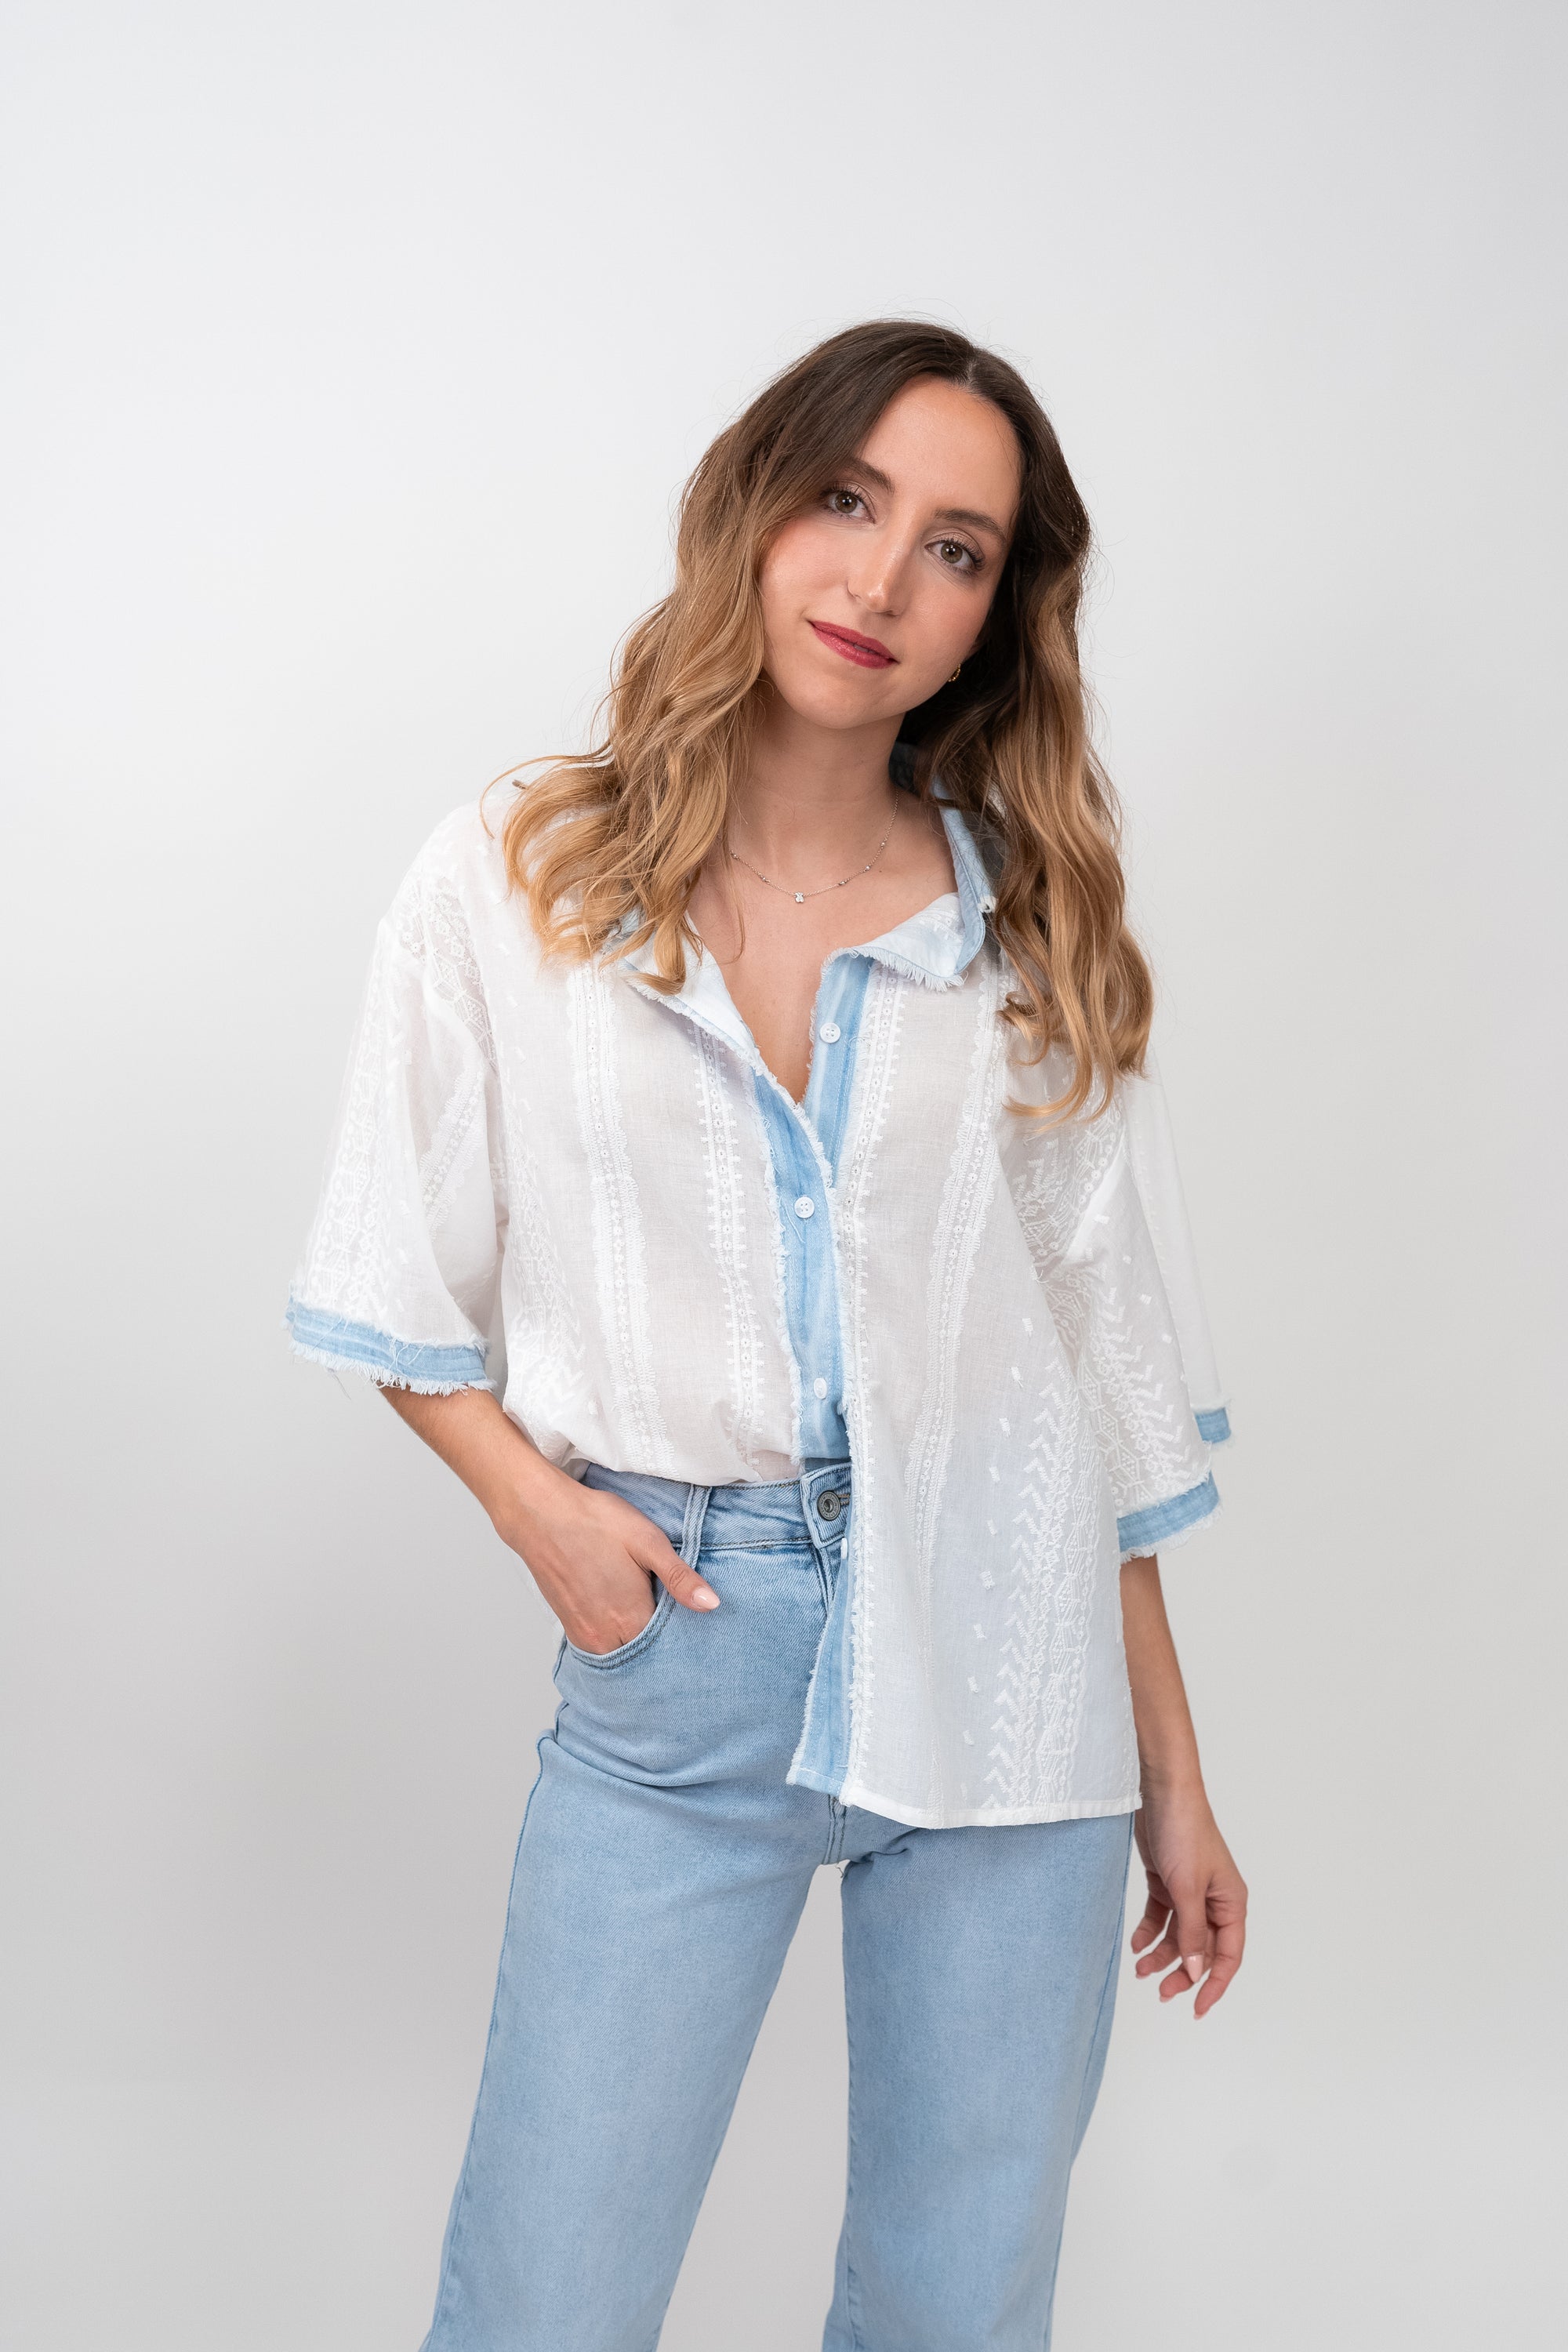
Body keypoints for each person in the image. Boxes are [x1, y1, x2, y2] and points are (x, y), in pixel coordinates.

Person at [288, 319, 1248, 2352]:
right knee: (547, 2297)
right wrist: (541, 1515)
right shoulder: (522, 875)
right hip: (684, 1653)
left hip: (1015, 1669)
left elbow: (1099, 1386)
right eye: (847, 499)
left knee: (958, 2307)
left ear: (996, 614)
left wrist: (1172, 1774)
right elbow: (390, 1269)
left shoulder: (1024, 924)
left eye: (956, 549)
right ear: (755, 503)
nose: (882, 579)